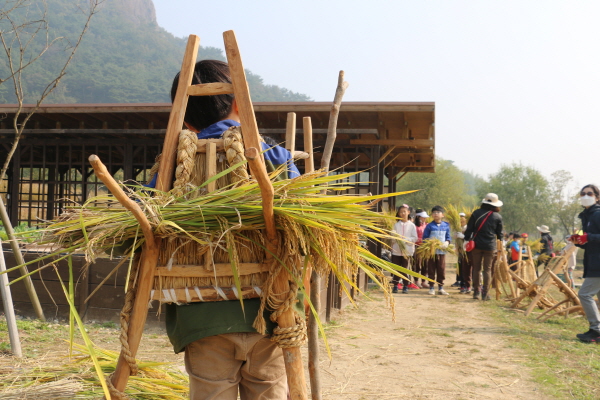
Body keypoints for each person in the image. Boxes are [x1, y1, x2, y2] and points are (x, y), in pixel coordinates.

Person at [153, 60, 301, 399]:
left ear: (184, 117)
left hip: (201, 319)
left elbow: (143, 225)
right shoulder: (272, 156)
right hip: (271, 313)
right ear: (239, 103)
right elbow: (305, 221)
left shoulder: (171, 162)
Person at [572, 184, 600, 343]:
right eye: (582, 193)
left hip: (598, 263)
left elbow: (592, 236)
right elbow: (586, 238)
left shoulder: (597, 214)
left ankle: (595, 330)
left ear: (597, 197)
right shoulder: (586, 216)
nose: (585, 196)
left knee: (584, 294)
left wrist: (589, 237)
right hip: (592, 260)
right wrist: (578, 240)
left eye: (589, 193)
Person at [464, 193, 504, 301]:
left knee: (476, 269)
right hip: (490, 246)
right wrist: (502, 244)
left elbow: (469, 229)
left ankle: (476, 292)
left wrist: (466, 239)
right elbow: (500, 234)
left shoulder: (476, 213)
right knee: (487, 269)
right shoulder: (497, 216)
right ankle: (485, 293)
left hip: (476, 244)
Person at [422, 205, 451, 296]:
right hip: (431, 252)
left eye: (438, 212)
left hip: (442, 252)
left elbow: (448, 237)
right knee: (431, 269)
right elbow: (425, 238)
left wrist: (446, 242)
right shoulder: (429, 226)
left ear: (442, 215)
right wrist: (430, 243)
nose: (435, 214)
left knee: (441, 269)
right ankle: (431, 287)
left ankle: (441, 287)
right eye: (434, 213)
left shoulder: (446, 225)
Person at [391, 204, 418, 294]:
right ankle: (395, 285)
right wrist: (394, 237)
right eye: (400, 212)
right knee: (396, 268)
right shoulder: (396, 225)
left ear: (408, 212)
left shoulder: (412, 225)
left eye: (404, 211)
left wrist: (406, 240)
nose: (402, 213)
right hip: (397, 251)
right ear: (398, 213)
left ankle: (406, 285)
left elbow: (415, 238)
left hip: (407, 251)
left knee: (405, 268)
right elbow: (392, 239)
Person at [456, 213, 473, 294]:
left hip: (472, 251)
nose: (461, 221)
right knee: (464, 269)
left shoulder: (471, 228)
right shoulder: (458, 228)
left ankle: (477, 286)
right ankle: (466, 285)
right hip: (463, 250)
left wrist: (463, 236)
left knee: (475, 270)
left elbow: (471, 237)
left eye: (463, 219)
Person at [413, 209, 429, 288]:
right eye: (423, 217)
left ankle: (423, 281)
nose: (424, 218)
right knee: (417, 264)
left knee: (425, 265)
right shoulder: (414, 226)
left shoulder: (426, 225)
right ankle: (416, 281)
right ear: (418, 217)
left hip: (425, 247)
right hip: (417, 246)